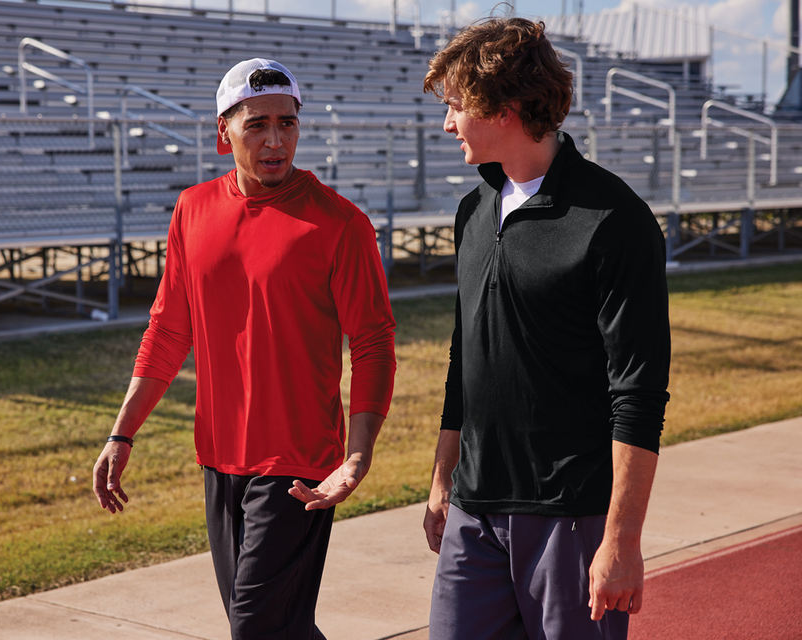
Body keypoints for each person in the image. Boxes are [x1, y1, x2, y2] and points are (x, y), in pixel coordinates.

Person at [92, 58, 396, 640]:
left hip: (299, 463)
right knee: (273, 628)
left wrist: (357, 456)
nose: (275, 140)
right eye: (257, 125)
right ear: (223, 131)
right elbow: (167, 330)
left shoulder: (340, 224)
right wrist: (121, 434)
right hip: (219, 456)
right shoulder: (192, 209)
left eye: (287, 123)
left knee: (256, 628)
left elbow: (374, 343)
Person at [421, 18, 671, 640]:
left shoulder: (614, 220)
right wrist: (443, 478)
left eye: (456, 106)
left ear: (503, 109)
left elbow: (638, 394)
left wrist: (622, 539)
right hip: (474, 512)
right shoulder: (473, 210)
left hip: (571, 517)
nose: (447, 124)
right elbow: (464, 359)